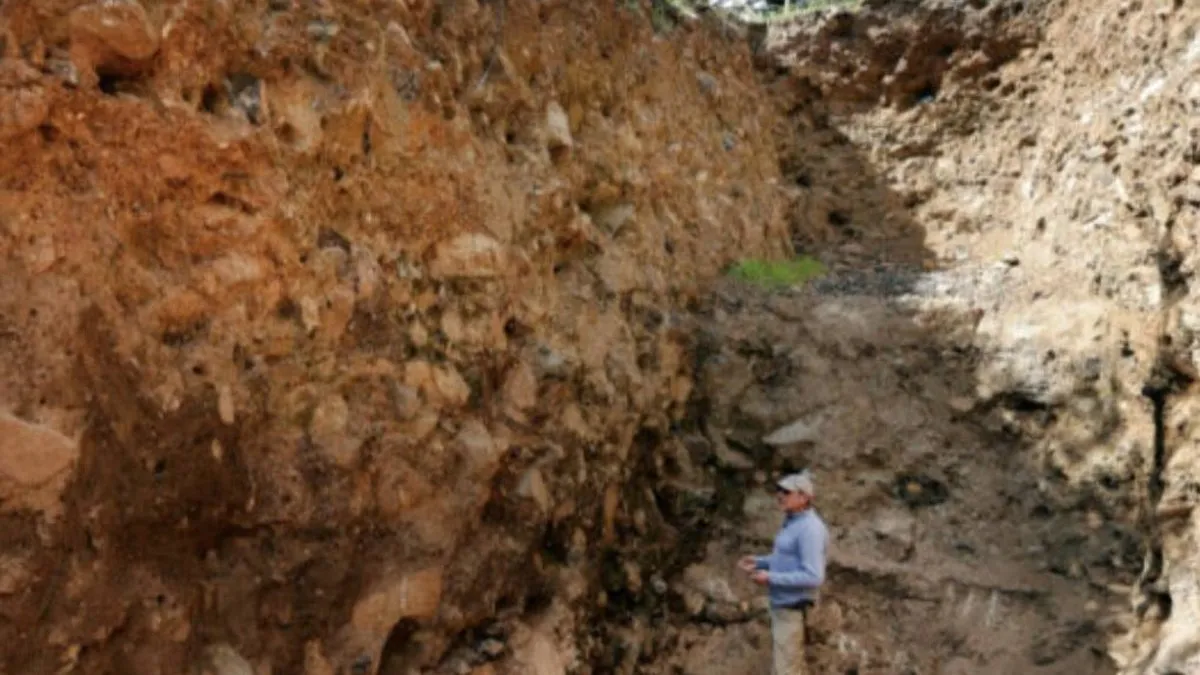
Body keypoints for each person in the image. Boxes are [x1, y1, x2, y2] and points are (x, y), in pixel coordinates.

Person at [738, 471, 828, 675]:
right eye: (779, 490)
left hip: (793, 608)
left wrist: (771, 578)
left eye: (787, 492)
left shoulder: (810, 529)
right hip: (783, 607)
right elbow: (786, 560)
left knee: (787, 670)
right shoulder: (793, 523)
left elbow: (814, 576)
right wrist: (760, 562)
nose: (780, 495)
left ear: (804, 497)